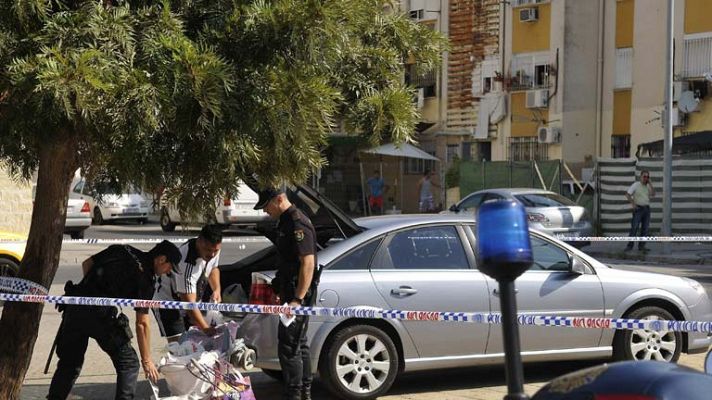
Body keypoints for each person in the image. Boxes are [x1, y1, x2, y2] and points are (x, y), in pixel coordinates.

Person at [48, 240, 181, 400]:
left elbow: (87, 264)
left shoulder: (123, 249)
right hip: (100, 315)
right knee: (129, 362)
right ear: (161, 259)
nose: (167, 272)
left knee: (70, 363)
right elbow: (142, 323)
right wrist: (147, 360)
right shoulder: (146, 279)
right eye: (169, 267)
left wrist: (93, 292)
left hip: (75, 307)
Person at [254, 187, 318, 400]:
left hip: (297, 295)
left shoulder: (297, 222)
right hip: (290, 290)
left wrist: (297, 299)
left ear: (279, 199)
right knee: (299, 343)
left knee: (289, 346)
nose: (265, 211)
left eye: (266, 206)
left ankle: (295, 394)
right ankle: (304, 393)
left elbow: (307, 262)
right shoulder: (285, 222)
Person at [153, 224, 223, 341]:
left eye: (215, 251)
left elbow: (213, 268)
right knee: (179, 346)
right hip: (168, 301)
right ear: (200, 241)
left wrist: (217, 289)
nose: (212, 255)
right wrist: (206, 329)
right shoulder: (186, 264)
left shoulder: (214, 249)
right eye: (208, 250)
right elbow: (189, 304)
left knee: (196, 342)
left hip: (190, 298)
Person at [625, 170, 655, 251]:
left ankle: (641, 246)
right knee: (634, 228)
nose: (646, 178)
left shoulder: (648, 186)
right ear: (640, 177)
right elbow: (627, 194)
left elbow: (653, 194)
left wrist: (650, 184)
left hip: (646, 209)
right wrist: (633, 204)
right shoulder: (636, 185)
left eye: (647, 177)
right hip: (638, 209)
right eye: (644, 176)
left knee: (645, 229)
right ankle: (629, 246)